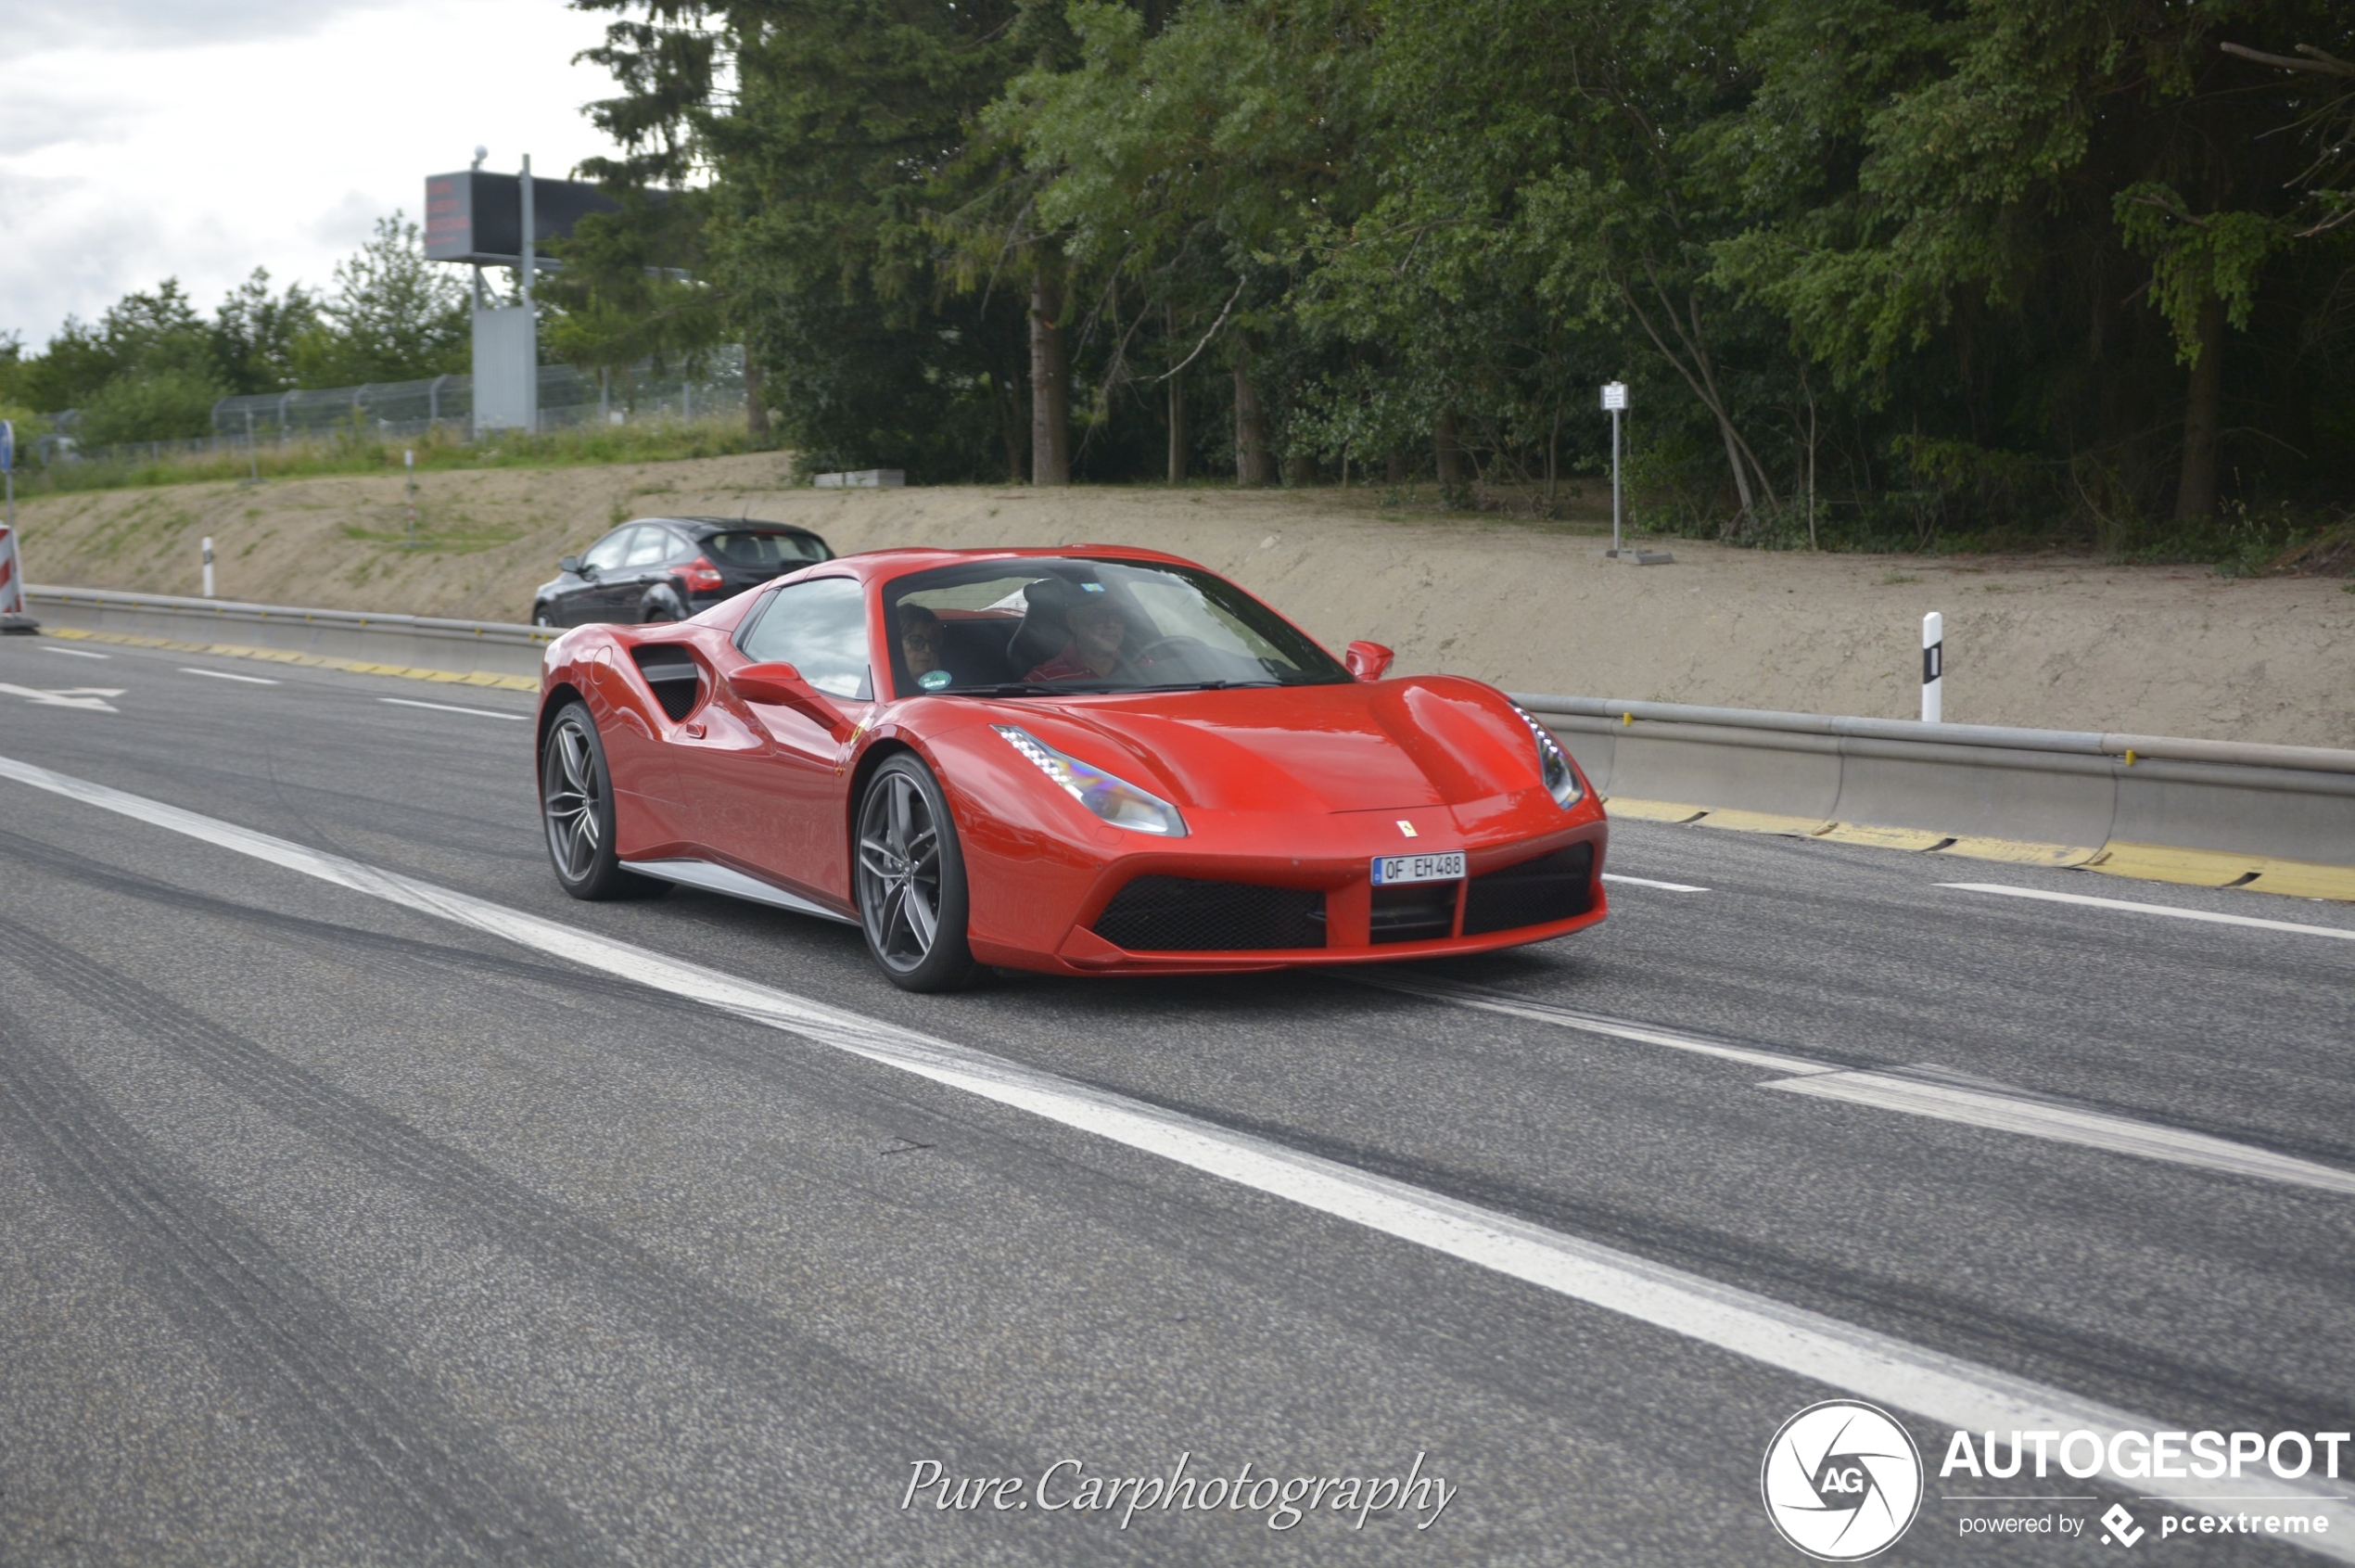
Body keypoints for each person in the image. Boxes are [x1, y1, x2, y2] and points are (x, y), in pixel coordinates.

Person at [1025, 594, 1133, 683]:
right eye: (1098, 616)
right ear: (1073, 622)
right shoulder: (1041, 680)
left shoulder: (1144, 666)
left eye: (1119, 615)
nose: (1111, 624)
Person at [898, 605, 947, 682]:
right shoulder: (881, 689)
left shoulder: (951, 689)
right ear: (896, 645)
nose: (928, 650)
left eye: (932, 642)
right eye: (916, 641)